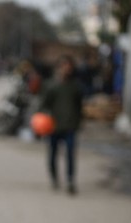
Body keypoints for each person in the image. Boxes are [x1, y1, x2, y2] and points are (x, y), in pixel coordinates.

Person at [39, 55, 84, 195]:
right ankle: (54, 177)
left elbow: (79, 106)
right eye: (64, 66)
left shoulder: (75, 86)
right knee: (52, 153)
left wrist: (79, 122)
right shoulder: (50, 85)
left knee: (70, 154)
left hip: (70, 125)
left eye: (69, 66)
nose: (66, 69)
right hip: (53, 126)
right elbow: (43, 105)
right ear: (59, 67)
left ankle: (70, 180)